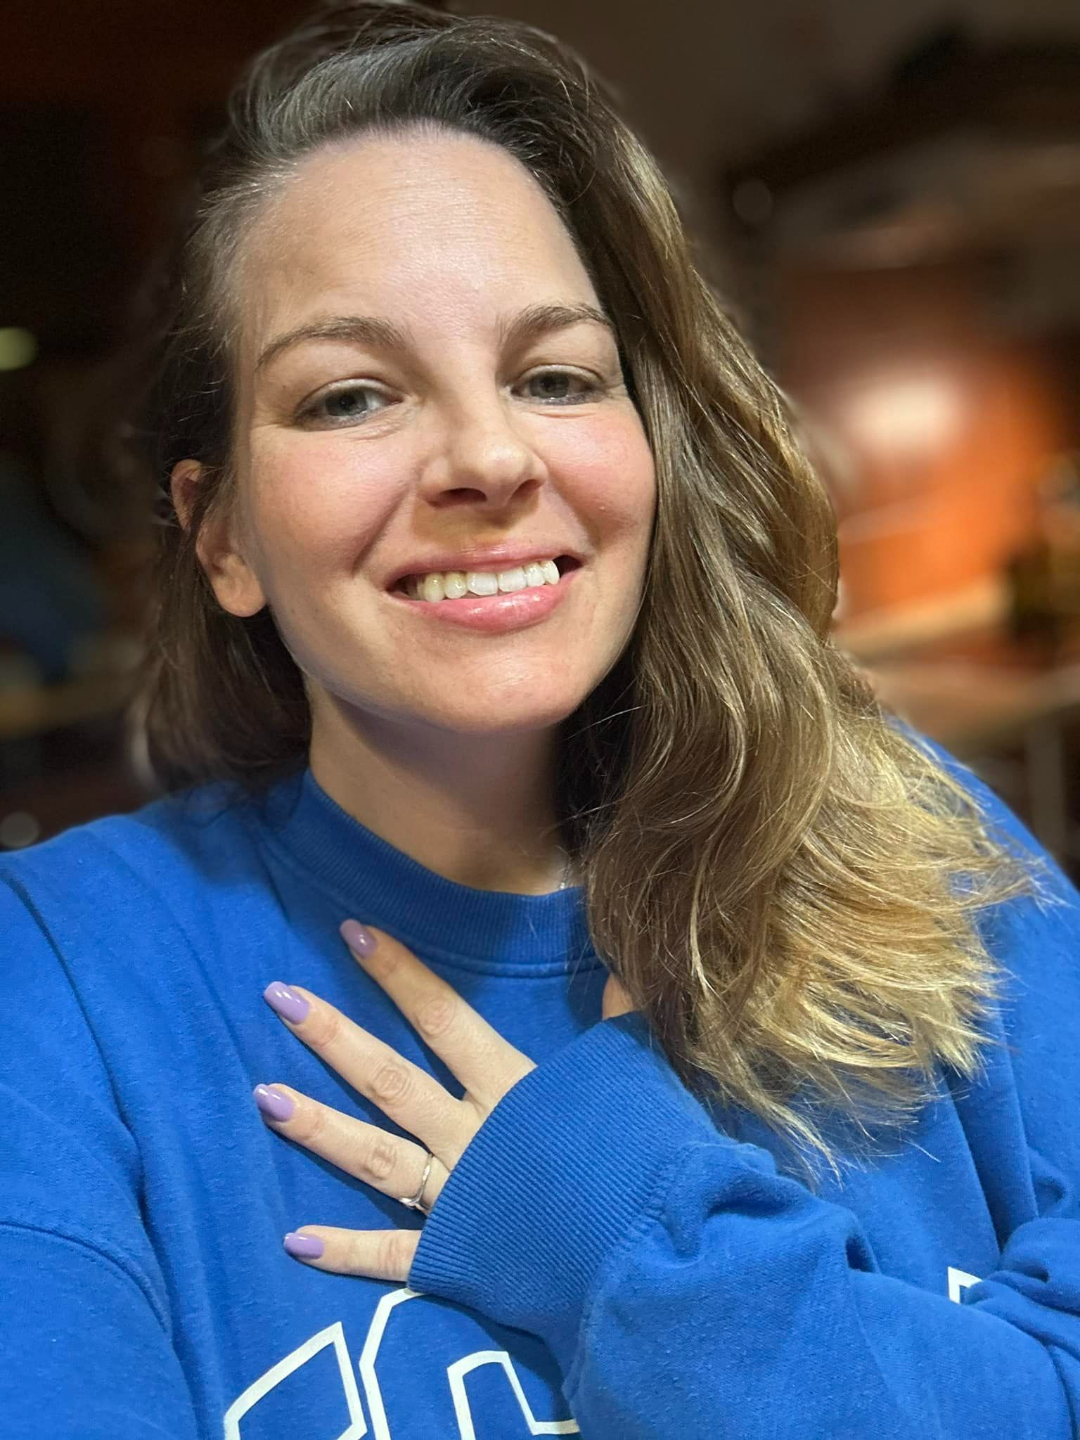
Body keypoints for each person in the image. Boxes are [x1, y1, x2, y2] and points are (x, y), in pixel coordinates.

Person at [3, 3, 1079, 1436]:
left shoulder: (927, 851)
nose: (491, 454)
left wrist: (626, 1234)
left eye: (556, 376)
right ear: (224, 538)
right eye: (351, 396)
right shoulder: (60, 989)